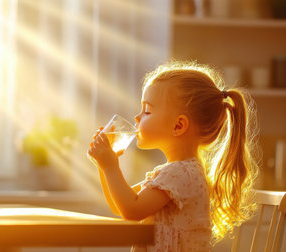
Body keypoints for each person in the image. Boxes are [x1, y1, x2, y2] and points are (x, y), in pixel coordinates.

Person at [88, 61, 259, 252]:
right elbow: (119, 206)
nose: (137, 117)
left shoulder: (180, 174)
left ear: (178, 126)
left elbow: (131, 210)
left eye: (147, 111)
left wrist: (111, 166)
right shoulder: (175, 172)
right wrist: (104, 166)